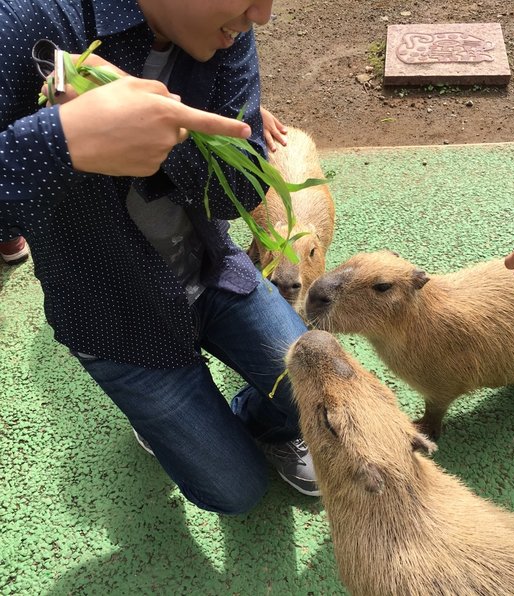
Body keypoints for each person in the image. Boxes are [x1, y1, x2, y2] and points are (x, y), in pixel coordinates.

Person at [0, 0, 319, 515]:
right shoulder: (22, 24)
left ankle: (264, 426)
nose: (262, 15)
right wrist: (60, 143)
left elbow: (243, 180)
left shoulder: (226, 32)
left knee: (321, 392)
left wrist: (158, 129)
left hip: (214, 271)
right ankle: (163, 419)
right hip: (112, 315)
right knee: (236, 492)